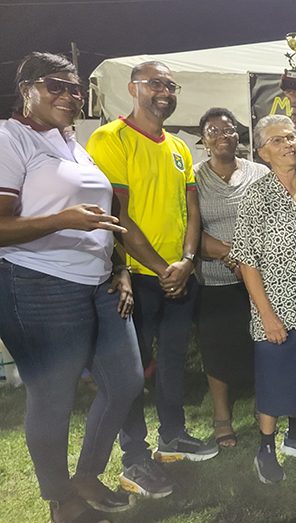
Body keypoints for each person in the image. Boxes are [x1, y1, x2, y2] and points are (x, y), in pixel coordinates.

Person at [0, 52, 142, 522]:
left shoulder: (71, 144)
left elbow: (104, 220)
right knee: (53, 395)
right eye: (54, 86)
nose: (68, 95)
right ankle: (62, 500)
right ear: (27, 90)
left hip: (99, 282)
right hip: (38, 282)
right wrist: (62, 219)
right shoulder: (10, 138)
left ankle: (86, 475)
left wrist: (119, 267)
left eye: (75, 87)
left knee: (125, 382)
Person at [86, 60, 216, 499]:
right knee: (132, 372)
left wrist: (187, 260)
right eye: (154, 83)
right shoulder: (110, 139)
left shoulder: (179, 147)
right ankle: (135, 457)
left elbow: (191, 209)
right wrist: (165, 270)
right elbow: (116, 215)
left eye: (170, 85)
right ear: (132, 88)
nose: (164, 91)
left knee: (174, 362)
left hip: (179, 275)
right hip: (137, 279)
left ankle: (172, 436)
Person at [231, 114, 296, 484]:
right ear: (262, 152)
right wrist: (267, 316)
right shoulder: (256, 195)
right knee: (274, 383)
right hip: (276, 311)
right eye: (277, 141)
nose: (288, 144)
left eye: (291, 137)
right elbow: (247, 260)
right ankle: (266, 448)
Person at [194, 107, 268, 448]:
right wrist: (230, 254)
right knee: (217, 350)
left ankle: (264, 410)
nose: (223, 135)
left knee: (260, 347)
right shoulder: (194, 177)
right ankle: (222, 417)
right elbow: (188, 227)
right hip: (214, 281)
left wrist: (250, 260)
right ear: (203, 140)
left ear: (238, 135)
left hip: (260, 280)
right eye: (214, 130)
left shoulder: (259, 173)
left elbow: (270, 221)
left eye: (229, 129)